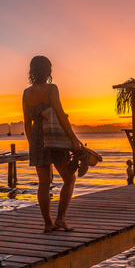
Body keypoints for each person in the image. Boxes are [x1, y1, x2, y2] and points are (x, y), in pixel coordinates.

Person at [23, 56, 82, 232]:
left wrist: (32, 144)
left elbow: (27, 122)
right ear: (47, 70)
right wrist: (73, 138)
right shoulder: (51, 89)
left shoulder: (27, 93)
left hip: (36, 137)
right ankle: (61, 218)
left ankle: (48, 223)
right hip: (54, 137)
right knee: (69, 178)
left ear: (32, 71)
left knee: (44, 182)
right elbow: (61, 115)